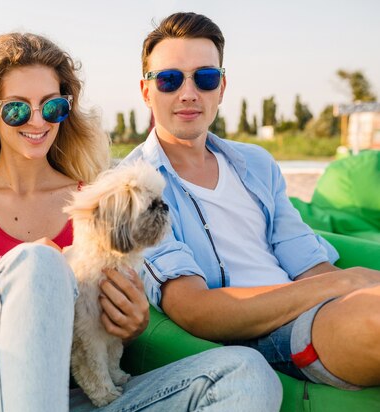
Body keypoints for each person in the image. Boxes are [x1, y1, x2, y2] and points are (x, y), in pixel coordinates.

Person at [0, 31, 282, 412]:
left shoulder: (95, 204)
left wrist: (132, 324)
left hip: (64, 394)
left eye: (52, 107)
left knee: (246, 372)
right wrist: (9, 295)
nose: (37, 121)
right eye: (17, 109)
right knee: (39, 264)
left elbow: (97, 332)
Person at [124, 11, 380, 391]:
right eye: (169, 79)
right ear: (147, 91)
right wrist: (348, 283)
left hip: (318, 310)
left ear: (222, 87)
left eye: (205, 78)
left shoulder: (256, 163)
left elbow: (309, 264)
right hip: (257, 333)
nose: (189, 93)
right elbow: (194, 309)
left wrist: (347, 284)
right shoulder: (134, 186)